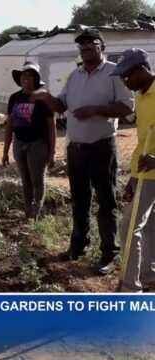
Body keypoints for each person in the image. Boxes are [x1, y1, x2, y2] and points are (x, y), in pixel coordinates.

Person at [32, 28, 134, 274]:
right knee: (79, 201)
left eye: (91, 44)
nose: (86, 48)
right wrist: (46, 97)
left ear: (102, 47)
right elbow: (62, 104)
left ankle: (109, 255)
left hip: (102, 146)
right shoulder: (75, 74)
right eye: (82, 45)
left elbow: (127, 108)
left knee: (107, 202)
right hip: (76, 148)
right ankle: (78, 246)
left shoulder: (114, 72)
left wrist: (95, 110)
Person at [111, 48, 155, 292]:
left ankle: (129, 287)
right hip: (143, 171)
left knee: (129, 226)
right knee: (149, 225)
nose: (124, 81)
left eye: (127, 75)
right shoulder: (140, 95)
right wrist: (133, 177)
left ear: (141, 70)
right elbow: (142, 139)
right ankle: (149, 275)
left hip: (153, 172)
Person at [2, 61, 56, 219]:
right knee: (25, 181)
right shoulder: (14, 98)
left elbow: (52, 128)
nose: (26, 77)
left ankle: (36, 213)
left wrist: (52, 152)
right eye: (24, 74)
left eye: (30, 75)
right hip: (19, 143)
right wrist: (5, 151)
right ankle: (28, 213)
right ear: (19, 78)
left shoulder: (43, 98)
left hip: (38, 144)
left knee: (37, 180)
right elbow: (9, 126)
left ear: (36, 78)